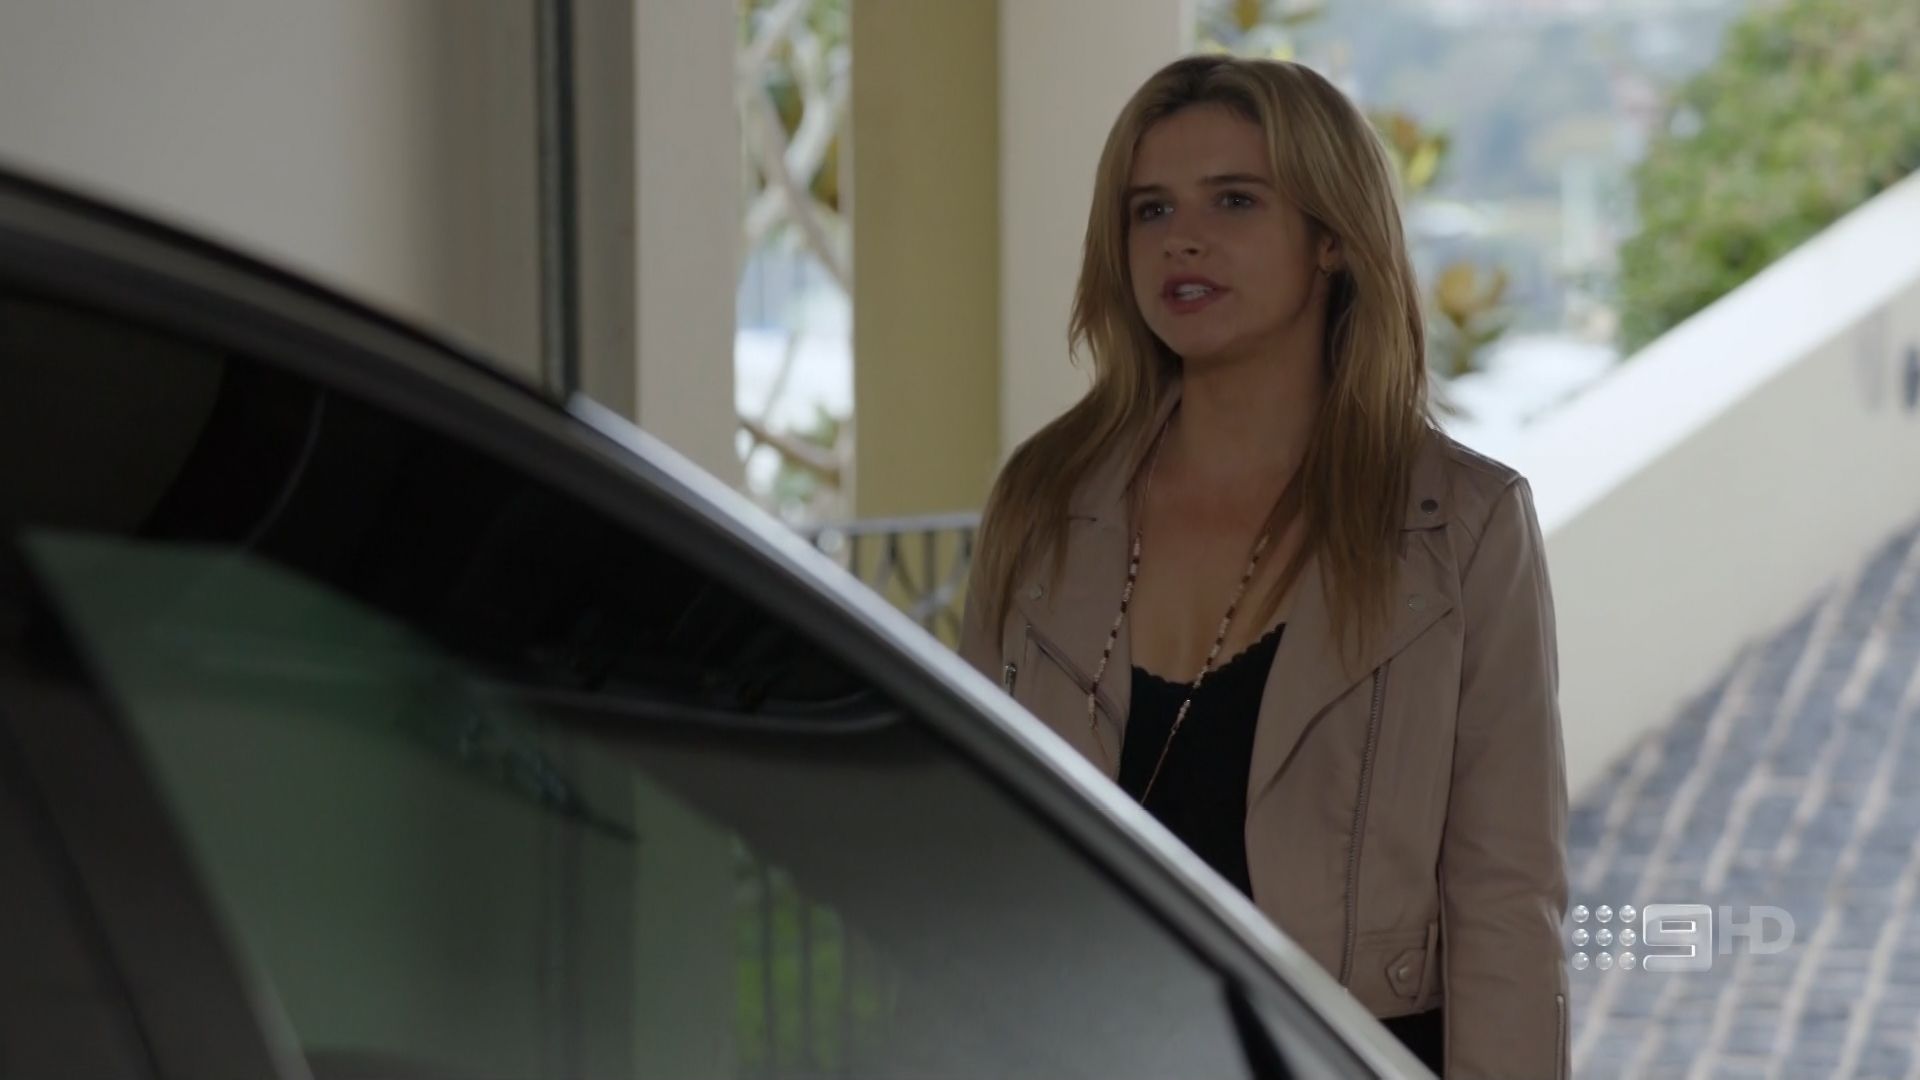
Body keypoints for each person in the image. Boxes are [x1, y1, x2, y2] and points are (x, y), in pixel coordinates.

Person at [958, 55, 1569, 1078]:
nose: (1182, 238)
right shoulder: (1046, 498)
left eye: (1234, 200)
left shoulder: (1459, 525)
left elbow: (1506, 896)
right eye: (1151, 210)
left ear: (1332, 238)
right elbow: (972, 850)